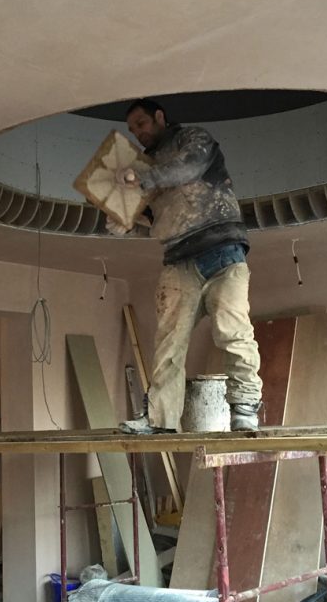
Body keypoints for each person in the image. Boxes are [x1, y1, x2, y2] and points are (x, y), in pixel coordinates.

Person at [109, 99, 263, 434]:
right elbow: (159, 222)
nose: (138, 132)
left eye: (141, 123)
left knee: (232, 330)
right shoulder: (146, 168)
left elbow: (188, 168)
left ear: (160, 117)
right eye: (132, 129)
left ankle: (245, 407)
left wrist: (144, 177)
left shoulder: (193, 139)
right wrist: (128, 225)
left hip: (222, 248)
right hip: (178, 258)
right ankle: (160, 420)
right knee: (169, 342)